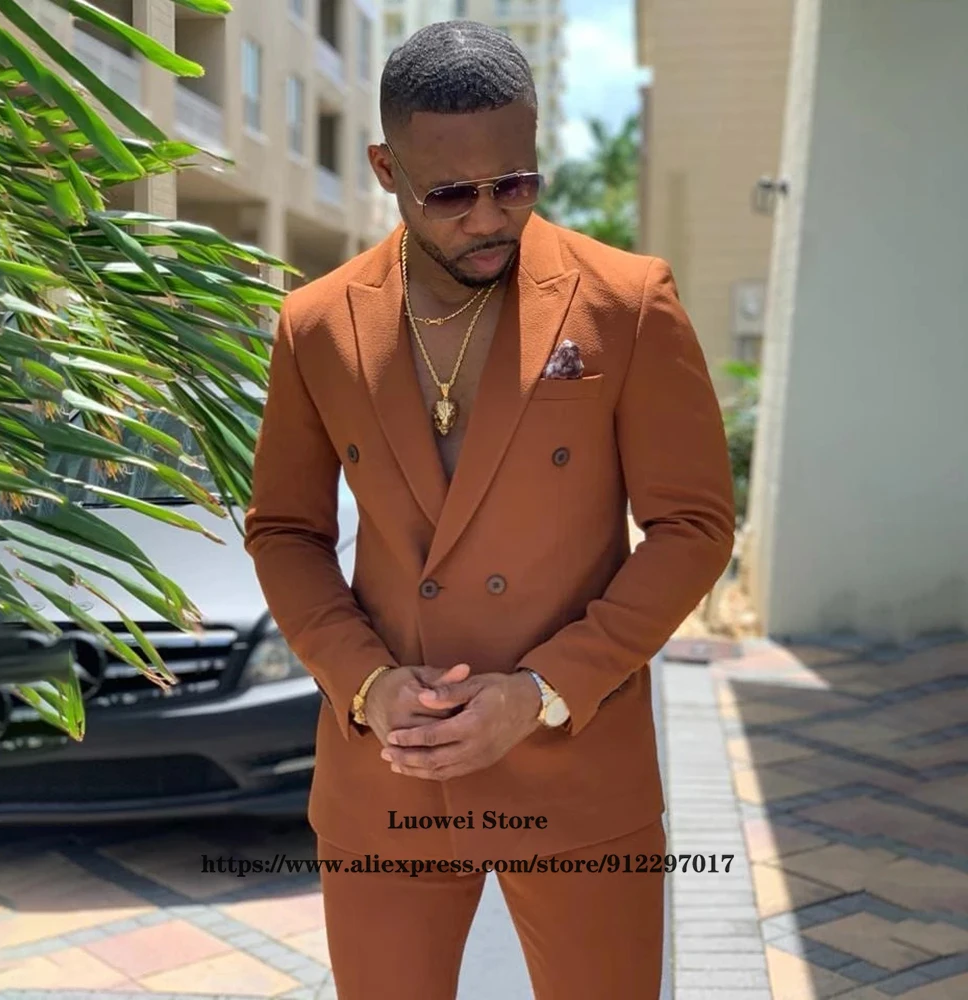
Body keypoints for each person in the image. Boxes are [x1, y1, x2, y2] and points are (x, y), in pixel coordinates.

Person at [244, 19, 735, 1000]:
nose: (489, 217)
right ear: (386, 168)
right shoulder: (317, 324)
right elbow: (286, 531)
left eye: (514, 184)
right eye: (451, 195)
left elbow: (693, 527)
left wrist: (542, 690)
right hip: (391, 770)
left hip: (574, 762)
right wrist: (365, 683)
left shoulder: (626, 302)